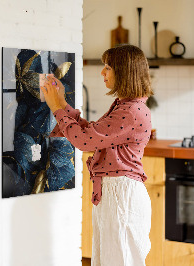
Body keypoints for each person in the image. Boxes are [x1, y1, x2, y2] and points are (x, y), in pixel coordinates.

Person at [41, 44, 153, 266]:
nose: (102, 72)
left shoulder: (130, 111)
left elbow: (84, 141)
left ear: (124, 71)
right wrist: (62, 103)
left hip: (121, 195)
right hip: (116, 193)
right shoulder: (126, 106)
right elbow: (92, 133)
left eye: (108, 67)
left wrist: (56, 108)